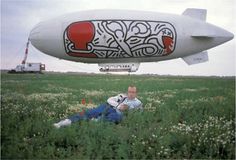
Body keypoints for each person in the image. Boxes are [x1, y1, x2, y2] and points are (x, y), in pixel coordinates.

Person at [53, 85, 142, 128]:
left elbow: (138, 114)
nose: (130, 94)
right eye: (129, 91)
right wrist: (118, 105)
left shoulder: (138, 103)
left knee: (115, 117)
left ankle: (95, 121)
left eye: (133, 92)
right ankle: (66, 122)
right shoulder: (122, 96)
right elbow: (109, 99)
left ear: (136, 93)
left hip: (118, 114)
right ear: (127, 91)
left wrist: (128, 109)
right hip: (108, 107)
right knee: (90, 112)